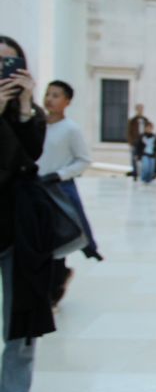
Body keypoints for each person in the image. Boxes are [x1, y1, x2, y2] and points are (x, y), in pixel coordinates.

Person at [0, 35, 54, 392]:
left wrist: (22, 109)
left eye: (11, 63)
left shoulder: (28, 113)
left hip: (19, 231)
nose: (5, 70)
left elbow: (29, 159)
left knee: (21, 330)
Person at [37, 80, 102, 307]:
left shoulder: (71, 130)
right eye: (48, 94)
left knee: (56, 239)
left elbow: (83, 160)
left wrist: (60, 174)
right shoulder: (36, 124)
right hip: (34, 188)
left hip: (56, 190)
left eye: (56, 95)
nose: (50, 99)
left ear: (67, 102)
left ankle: (55, 284)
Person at [126, 104, 149, 181]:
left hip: (143, 142)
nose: (140, 110)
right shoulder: (132, 121)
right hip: (135, 141)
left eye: (141, 109)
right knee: (134, 158)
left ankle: (143, 173)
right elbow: (129, 132)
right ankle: (135, 173)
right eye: (139, 109)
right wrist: (130, 142)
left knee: (144, 158)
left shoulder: (145, 120)